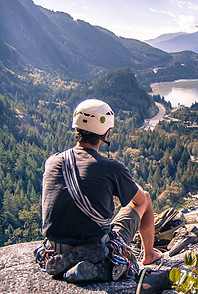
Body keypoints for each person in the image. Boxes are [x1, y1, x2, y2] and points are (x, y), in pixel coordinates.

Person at [40, 99, 162, 282]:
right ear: (106, 133)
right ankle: (149, 255)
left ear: (76, 129)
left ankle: (68, 258)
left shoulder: (53, 162)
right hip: (95, 244)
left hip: (56, 246)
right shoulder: (111, 168)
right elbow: (138, 200)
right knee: (145, 197)